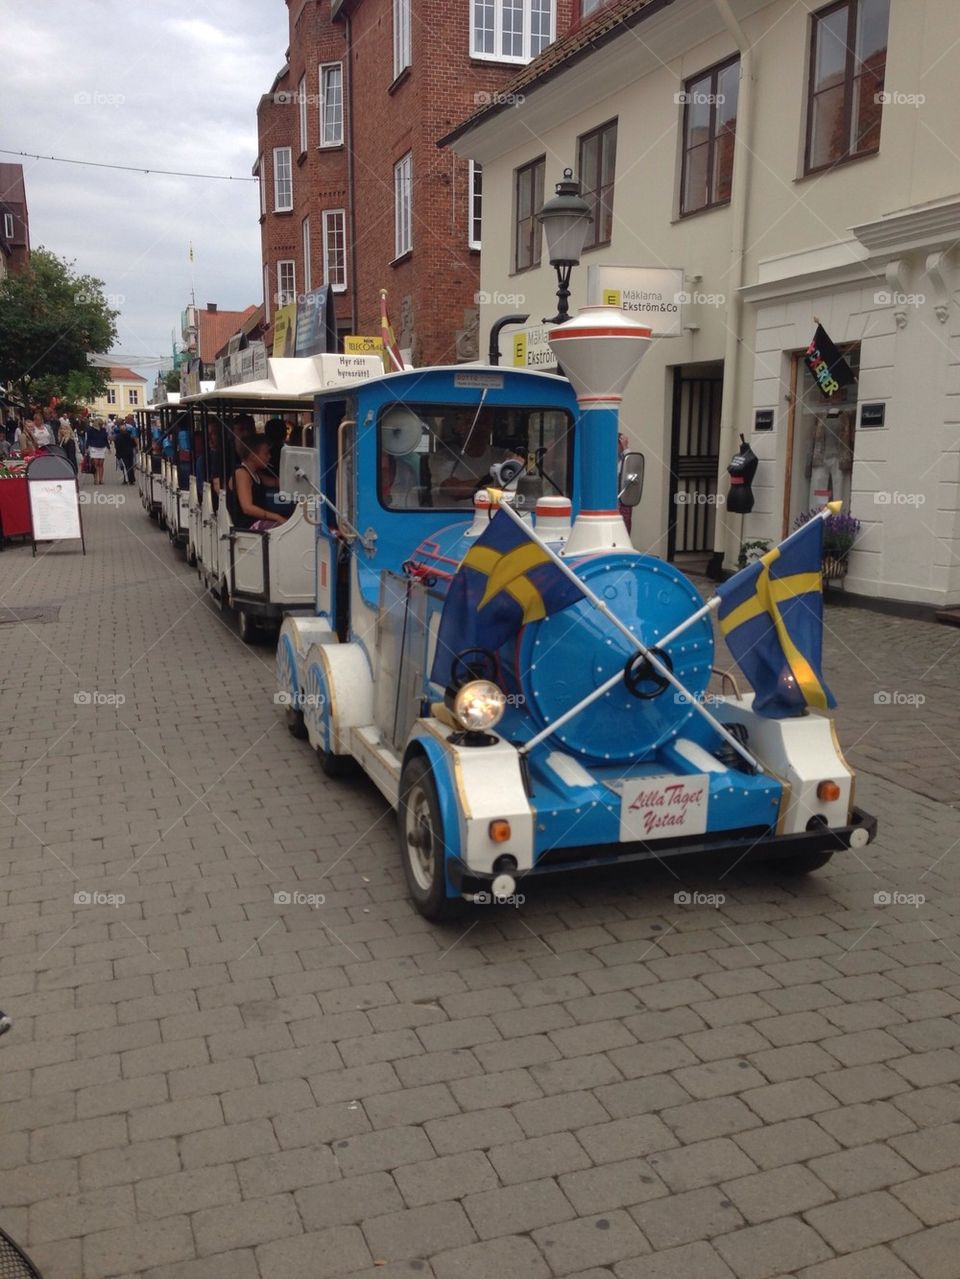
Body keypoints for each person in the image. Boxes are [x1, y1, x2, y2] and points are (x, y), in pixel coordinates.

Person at [229, 438, 288, 530]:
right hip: (248, 526)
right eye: (266, 454)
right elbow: (247, 508)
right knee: (285, 528)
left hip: (258, 521)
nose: (269, 457)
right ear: (252, 456)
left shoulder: (256, 473)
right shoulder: (242, 473)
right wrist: (277, 517)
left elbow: (275, 482)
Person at [85, 417, 110, 485]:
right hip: (94, 447)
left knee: (101, 464)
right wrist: (86, 448)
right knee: (95, 464)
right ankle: (95, 479)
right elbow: (88, 439)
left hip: (102, 448)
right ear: (97, 424)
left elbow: (105, 439)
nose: (101, 425)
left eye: (102, 424)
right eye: (100, 424)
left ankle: (101, 480)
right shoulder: (90, 430)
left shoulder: (103, 430)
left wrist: (109, 448)